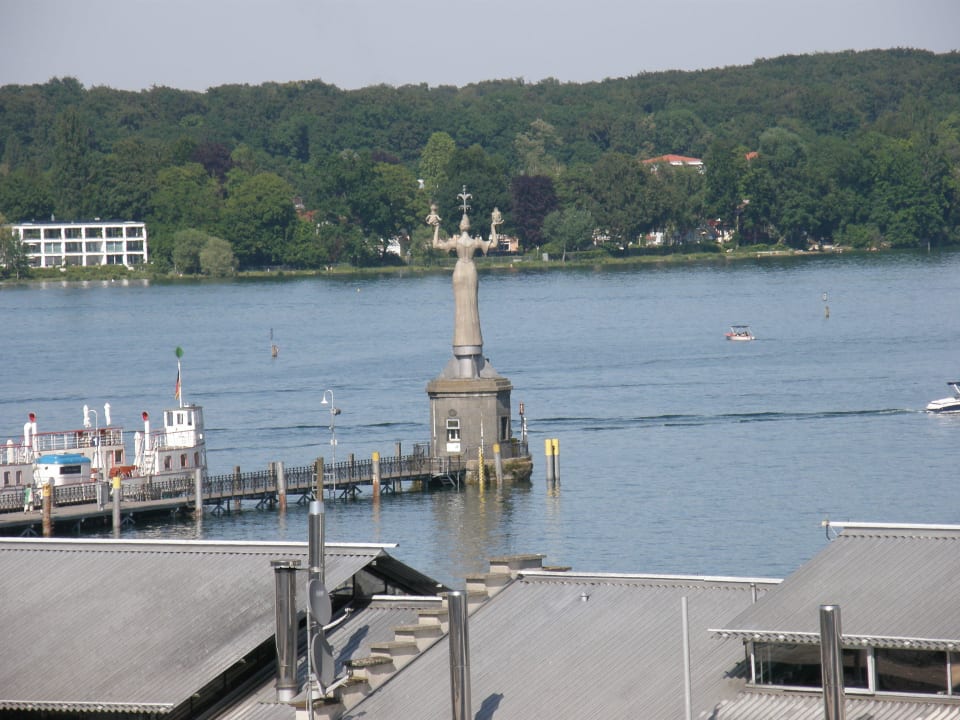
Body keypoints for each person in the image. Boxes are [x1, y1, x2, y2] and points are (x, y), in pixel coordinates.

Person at [429, 208, 500, 352]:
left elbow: (435, 245)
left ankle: (461, 340)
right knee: (472, 305)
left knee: (461, 307)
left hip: (460, 270)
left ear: (460, 227)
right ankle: (473, 339)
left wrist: (437, 227)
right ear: (469, 226)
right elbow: (494, 244)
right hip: (471, 270)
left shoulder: (456, 242)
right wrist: (493, 226)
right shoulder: (475, 242)